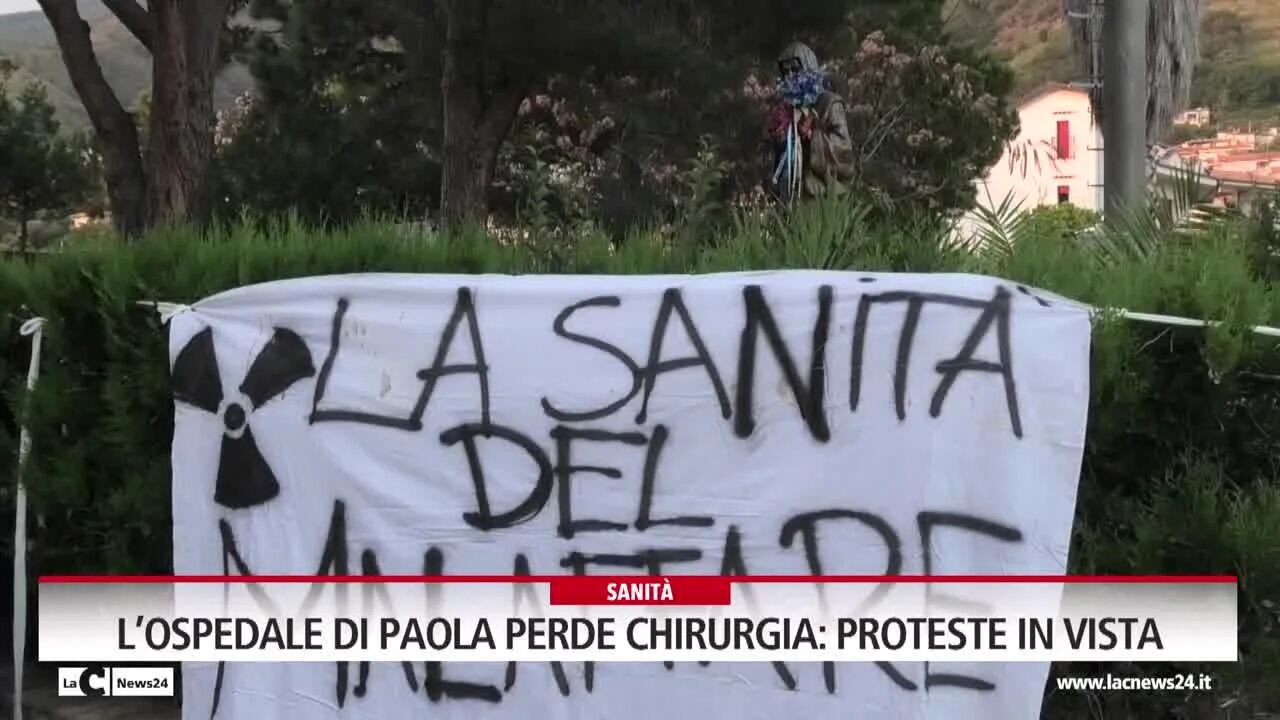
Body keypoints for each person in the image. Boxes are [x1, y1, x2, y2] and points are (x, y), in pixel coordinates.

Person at [763, 42, 855, 203]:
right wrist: (780, 140)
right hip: (792, 195)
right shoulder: (786, 109)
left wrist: (813, 137)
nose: (790, 76)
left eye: (795, 69)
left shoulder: (830, 103)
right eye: (786, 72)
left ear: (808, 67)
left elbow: (844, 150)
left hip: (820, 196)